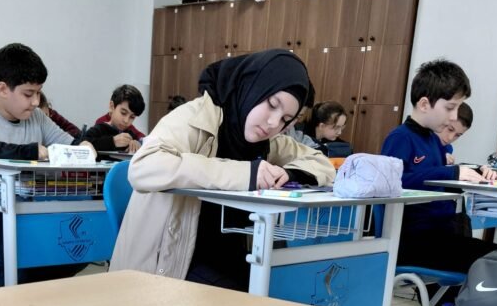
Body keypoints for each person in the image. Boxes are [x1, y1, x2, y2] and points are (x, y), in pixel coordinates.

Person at [109, 49, 335, 289]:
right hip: (173, 261)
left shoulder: (267, 140)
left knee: (288, 287)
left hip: (231, 257)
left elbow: (320, 162)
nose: (273, 123)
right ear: (252, 87)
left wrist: (289, 173)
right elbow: (143, 167)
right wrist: (245, 173)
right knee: (254, 298)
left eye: (285, 119)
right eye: (271, 104)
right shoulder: (196, 117)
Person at [0, 42, 95, 287]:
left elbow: (69, 143)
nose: (36, 101)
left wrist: (84, 146)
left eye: (38, 93)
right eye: (28, 94)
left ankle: (6, 289)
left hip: (22, 209)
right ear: (3, 89)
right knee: (17, 252)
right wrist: (27, 152)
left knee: (75, 248)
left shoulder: (37, 118)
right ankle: (10, 298)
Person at [381, 59, 496, 273]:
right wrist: (452, 173)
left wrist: (477, 173)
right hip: (413, 240)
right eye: (450, 108)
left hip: (441, 234)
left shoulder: (434, 141)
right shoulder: (400, 138)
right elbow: (391, 184)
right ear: (425, 104)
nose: (454, 116)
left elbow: (439, 179)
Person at [85, 85, 145, 154]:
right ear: (112, 106)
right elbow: (82, 144)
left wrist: (137, 145)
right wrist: (112, 141)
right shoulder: (99, 129)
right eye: (123, 113)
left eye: (132, 117)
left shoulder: (131, 135)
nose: (126, 121)